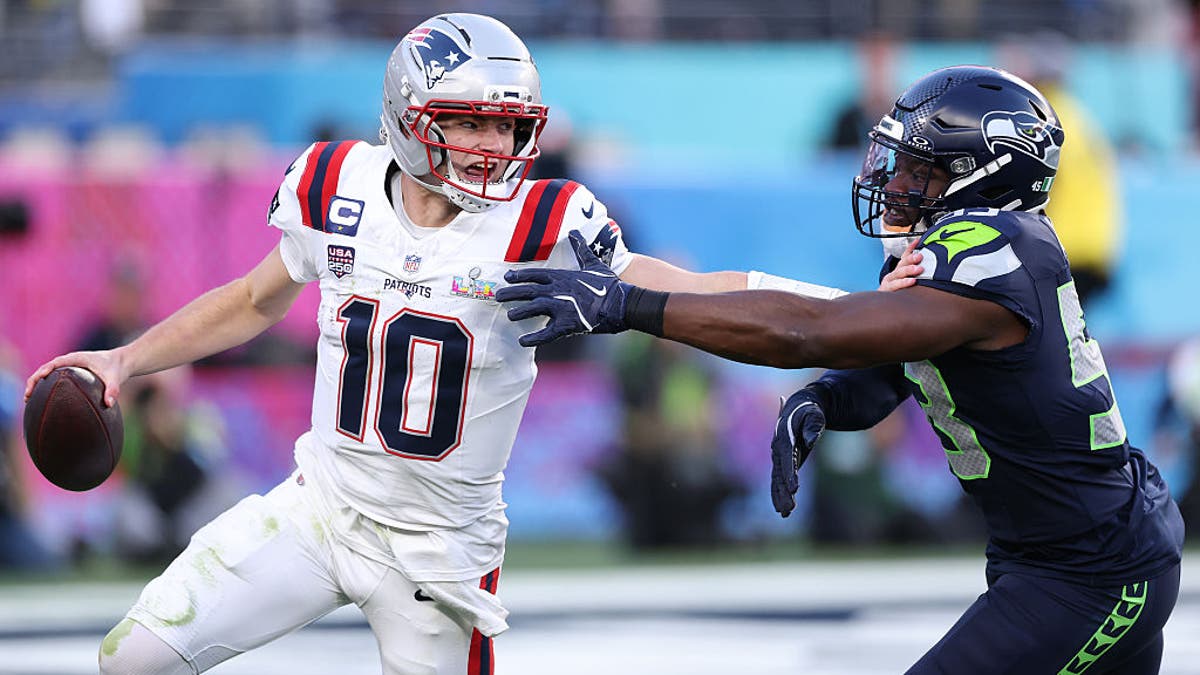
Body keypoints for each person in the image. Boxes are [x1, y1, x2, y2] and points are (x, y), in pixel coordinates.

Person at [25, 14, 920, 675]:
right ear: (410, 118)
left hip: (440, 551)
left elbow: (697, 289)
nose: (496, 144)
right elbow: (255, 299)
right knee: (130, 658)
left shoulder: (544, 221)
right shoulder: (332, 186)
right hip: (320, 508)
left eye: (507, 124)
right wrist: (123, 360)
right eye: (473, 121)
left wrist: (857, 312)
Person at [497, 65, 1185, 674]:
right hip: (1061, 552)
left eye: (922, 168)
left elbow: (812, 329)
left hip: (1093, 567)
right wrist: (828, 398)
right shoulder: (965, 248)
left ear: (985, 172)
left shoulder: (992, 251)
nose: (896, 181)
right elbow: (899, 361)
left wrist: (630, 305)